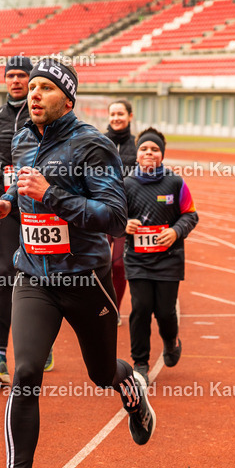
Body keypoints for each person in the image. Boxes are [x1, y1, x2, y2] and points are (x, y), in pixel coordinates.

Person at [0, 58, 155, 468]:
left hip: (84, 279)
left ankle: (128, 387)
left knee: (101, 373)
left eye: (44, 87)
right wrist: (3, 207)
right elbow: (23, 194)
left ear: (68, 98)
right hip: (33, 276)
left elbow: (114, 217)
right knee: (26, 371)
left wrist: (52, 193)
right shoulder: (20, 138)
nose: (33, 94)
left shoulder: (92, 145)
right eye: (30, 87)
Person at [0, 56, 55, 385]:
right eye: (12, 75)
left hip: (38, 203)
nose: (18, 81)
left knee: (42, 272)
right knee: (3, 276)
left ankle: (42, 341)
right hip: (10, 203)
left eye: (24, 75)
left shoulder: (45, 112)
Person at [123, 128, 198, 382]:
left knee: (165, 312)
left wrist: (176, 232)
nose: (149, 153)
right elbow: (113, 215)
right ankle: (140, 362)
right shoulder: (127, 184)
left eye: (154, 149)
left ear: (162, 155)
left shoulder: (175, 183)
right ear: (137, 154)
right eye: (144, 148)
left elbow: (190, 214)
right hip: (137, 259)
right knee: (141, 308)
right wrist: (124, 224)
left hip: (169, 259)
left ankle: (170, 340)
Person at [105, 99, 136, 320]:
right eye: (113, 114)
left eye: (120, 114)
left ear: (130, 116)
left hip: (126, 215)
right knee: (97, 262)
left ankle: (114, 309)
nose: (116, 118)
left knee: (118, 264)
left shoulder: (137, 146)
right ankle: (98, 306)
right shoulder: (98, 142)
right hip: (100, 212)